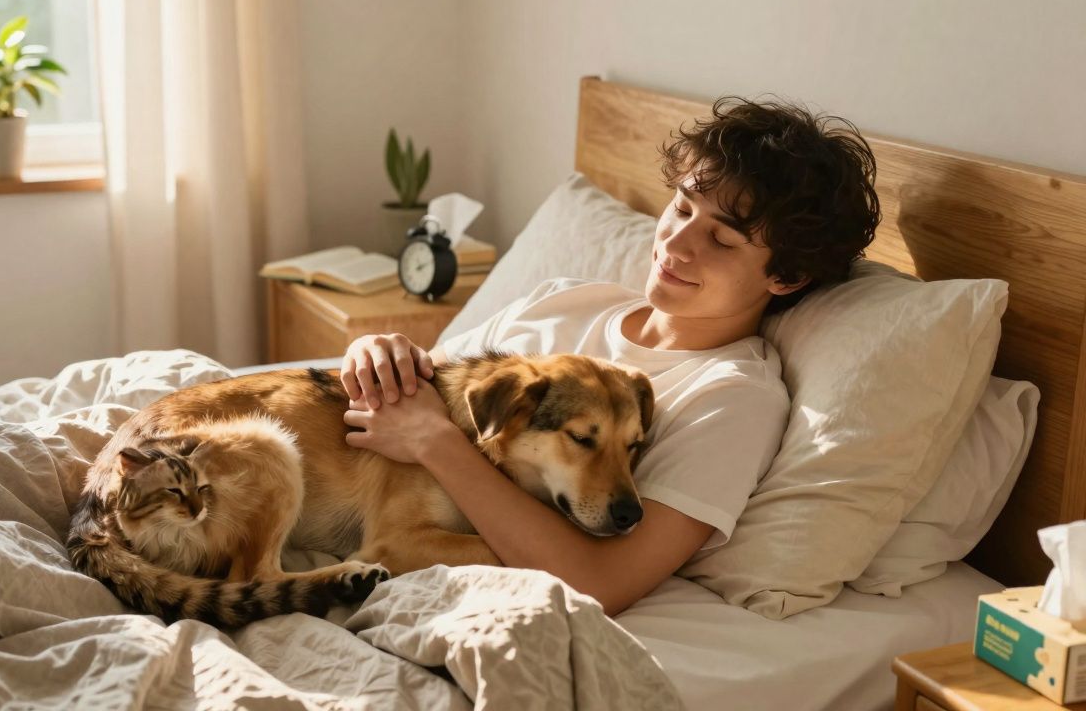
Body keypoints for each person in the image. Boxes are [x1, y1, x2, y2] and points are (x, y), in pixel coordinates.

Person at [339, 96, 881, 616]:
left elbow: (600, 583)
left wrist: (437, 444)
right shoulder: (565, 298)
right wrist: (377, 352)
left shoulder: (734, 398)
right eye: (682, 207)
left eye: (720, 239)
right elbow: (416, 401)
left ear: (786, 275)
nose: (676, 243)